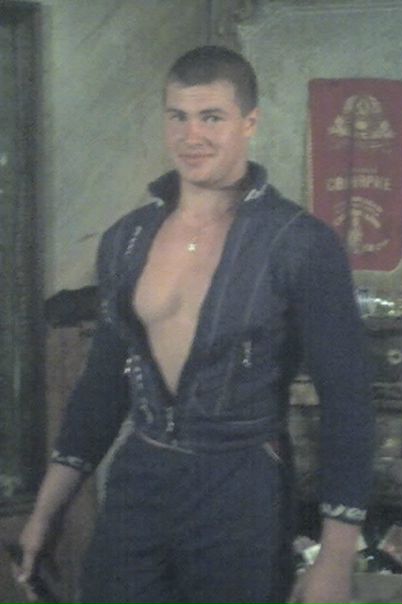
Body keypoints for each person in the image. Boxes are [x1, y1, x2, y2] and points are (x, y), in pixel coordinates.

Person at [15, 45, 374, 604]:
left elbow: (348, 401)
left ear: (249, 123)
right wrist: (46, 511)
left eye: (211, 117)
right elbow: (102, 387)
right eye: (178, 117)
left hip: (242, 483)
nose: (192, 136)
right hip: (141, 476)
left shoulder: (301, 243)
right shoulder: (127, 239)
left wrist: (336, 558)